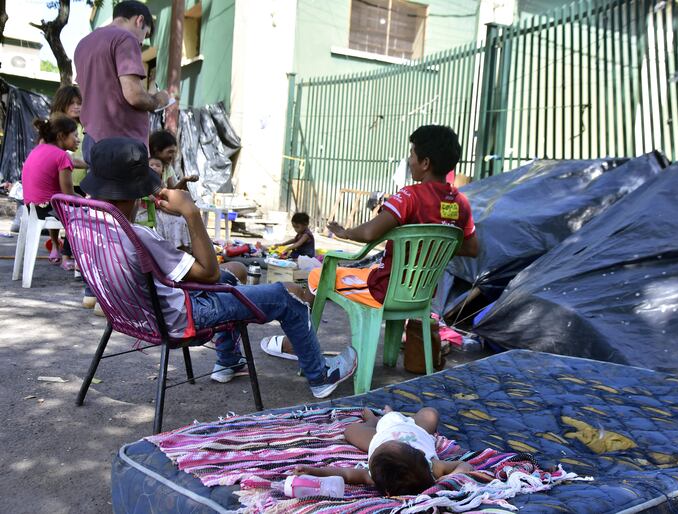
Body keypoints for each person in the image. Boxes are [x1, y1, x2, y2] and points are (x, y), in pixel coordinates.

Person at [77, 137, 357, 398]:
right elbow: (209, 274)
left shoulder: (82, 224)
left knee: (236, 269)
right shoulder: (137, 236)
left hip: (135, 313)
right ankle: (321, 376)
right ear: (136, 194)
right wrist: (191, 213)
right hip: (180, 316)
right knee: (289, 295)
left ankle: (227, 361)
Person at [261, 125, 478, 360]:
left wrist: (345, 232)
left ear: (425, 163)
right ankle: (388, 357)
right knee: (362, 271)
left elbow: (369, 233)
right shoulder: (461, 203)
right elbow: (472, 248)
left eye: (412, 154)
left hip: (383, 290)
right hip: (421, 294)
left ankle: (297, 344)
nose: (409, 160)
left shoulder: (410, 196)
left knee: (318, 275)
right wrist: (435, 245)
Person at [293, 406, 474, 496]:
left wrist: (314, 471)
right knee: (430, 413)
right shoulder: (433, 466)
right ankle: (388, 414)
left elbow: (345, 474)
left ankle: (373, 421)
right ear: (419, 454)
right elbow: (464, 465)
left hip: (382, 431)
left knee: (350, 431)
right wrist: (450, 479)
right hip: (415, 429)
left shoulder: (373, 475)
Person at [74, 0, 170, 158]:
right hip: (122, 143)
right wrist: (159, 100)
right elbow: (134, 95)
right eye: (145, 34)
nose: (141, 43)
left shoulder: (83, 44)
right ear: (139, 20)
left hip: (92, 139)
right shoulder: (126, 38)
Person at [21, 114, 80, 271]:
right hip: (48, 208)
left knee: (77, 208)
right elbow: (69, 196)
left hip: (32, 208)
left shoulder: (38, 149)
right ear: (61, 136)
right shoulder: (62, 156)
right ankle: (69, 258)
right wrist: (88, 201)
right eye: (75, 135)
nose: (78, 140)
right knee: (84, 215)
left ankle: (63, 252)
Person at [149, 130, 197, 249]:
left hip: (163, 204)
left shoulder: (167, 168)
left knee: (185, 217)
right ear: (156, 150)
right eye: (169, 152)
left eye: (174, 152)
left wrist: (184, 180)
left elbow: (172, 190)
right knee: (179, 220)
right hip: (152, 207)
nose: (172, 156)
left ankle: (182, 248)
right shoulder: (149, 167)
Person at [49, 85, 88, 194]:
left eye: (79, 103)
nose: (76, 107)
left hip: (82, 184)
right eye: (71, 103)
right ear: (62, 103)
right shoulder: (52, 128)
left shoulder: (86, 127)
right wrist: (92, 164)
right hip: (59, 182)